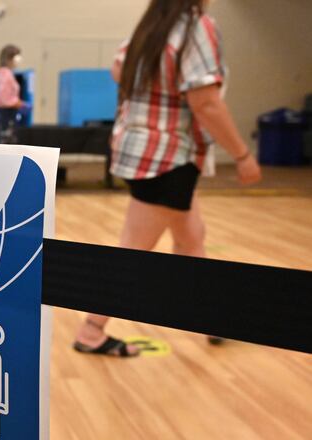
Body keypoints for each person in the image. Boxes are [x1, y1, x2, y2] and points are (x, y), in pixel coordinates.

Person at [73, 0, 262, 357]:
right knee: (133, 251)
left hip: (139, 150)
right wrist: (242, 154)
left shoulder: (151, 26)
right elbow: (205, 102)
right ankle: (92, 330)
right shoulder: (196, 27)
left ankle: (210, 319)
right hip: (168, 158)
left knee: (192, 237)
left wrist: (154, 89)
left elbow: (118, 69)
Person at [0, 45, 28, 144]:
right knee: (7, 145)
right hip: (5, 116)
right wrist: (18, 103)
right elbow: (4, 98)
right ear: (9, 58)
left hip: (6, 115)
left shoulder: (5, 73)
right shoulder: (4, 74)